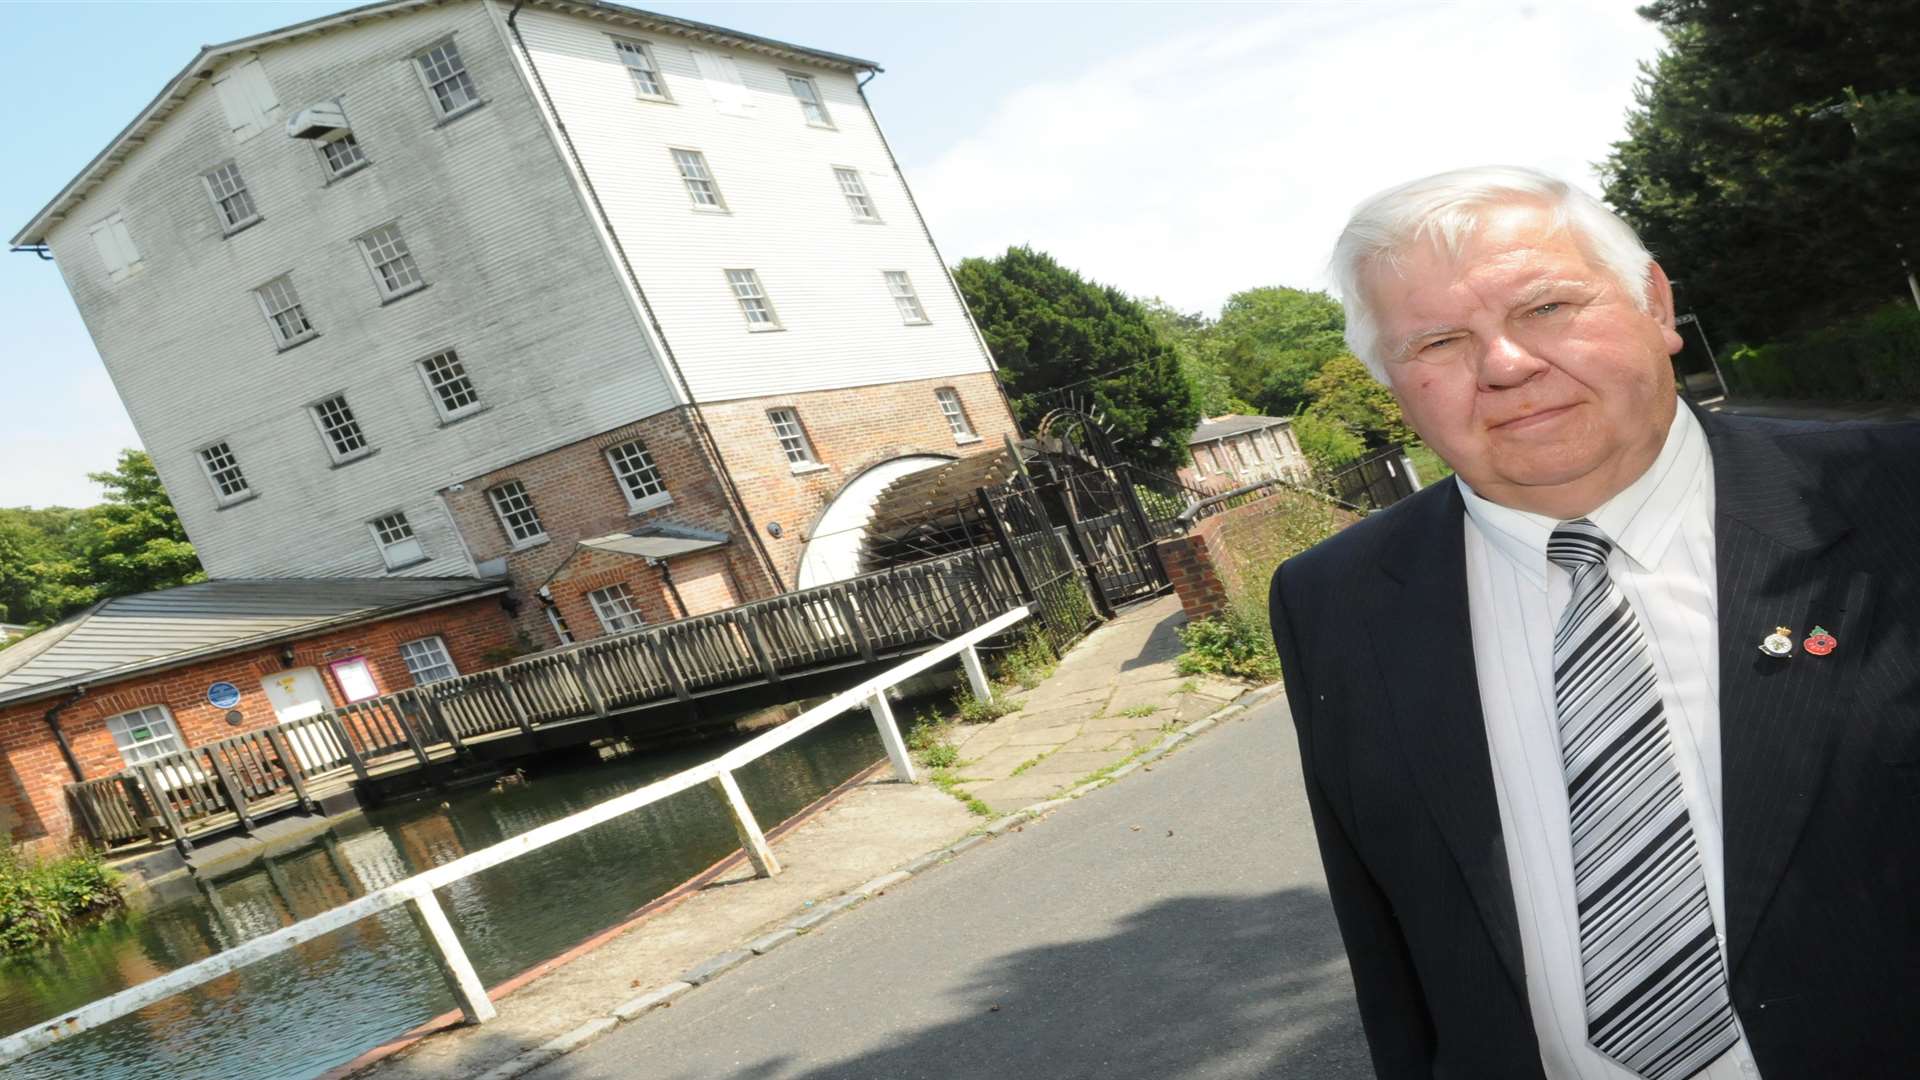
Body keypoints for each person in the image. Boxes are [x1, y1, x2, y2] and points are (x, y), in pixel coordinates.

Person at [1268, 165, 1920, 1080]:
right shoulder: (1331, 601)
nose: (1505, 366)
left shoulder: (1893, 498)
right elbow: (1392, 947)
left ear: (1655, 304)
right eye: (1440, 342)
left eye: (1545, 309)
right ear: (1392, 382)